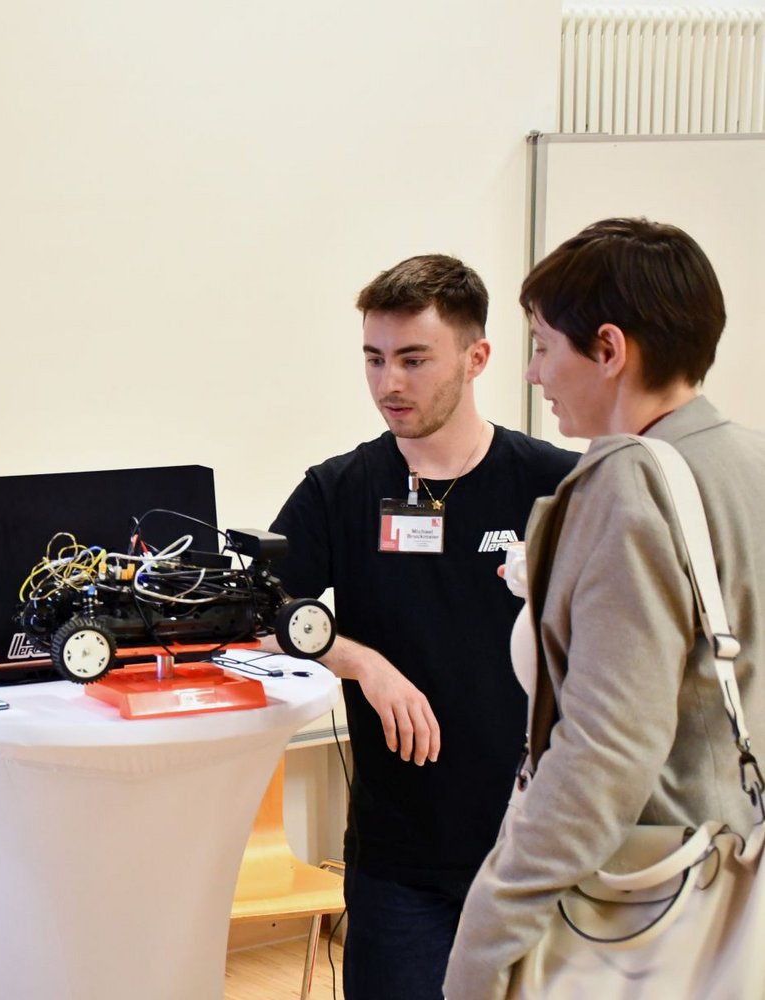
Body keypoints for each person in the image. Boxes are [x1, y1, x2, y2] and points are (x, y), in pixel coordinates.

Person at [444, 218, 765, 998]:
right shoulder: (746, 458)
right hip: (738, 884)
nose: (533, 373)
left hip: (645, 910)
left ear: (611, 349)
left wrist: (485, 941)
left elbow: (603, 754)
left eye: (543, 346)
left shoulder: (628, 482)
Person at [265, 255, 578, 998]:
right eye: (374, 359)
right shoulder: (339, 490)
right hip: (399, 865)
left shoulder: (556, 484)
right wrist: (359, 661)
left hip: (536, 853)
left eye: (413, 359)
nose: (388, 384)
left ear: (477, 358)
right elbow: (260, 614)